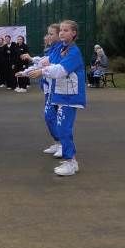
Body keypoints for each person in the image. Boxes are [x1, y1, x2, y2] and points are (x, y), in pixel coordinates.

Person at [21, 20, 86, 176]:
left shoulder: (74, 52)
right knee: (61, 126)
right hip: (61, 94)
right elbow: (46, 62)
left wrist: (42, 72)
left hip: (70, 96)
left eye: (65, 30)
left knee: (64, 127)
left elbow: (61, 70)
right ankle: (70, 160)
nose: (62, 32)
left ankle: (70, 162)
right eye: (61, 30)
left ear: (74, 33)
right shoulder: (63, 49)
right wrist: (27, 72)